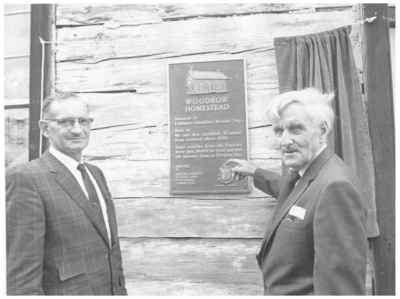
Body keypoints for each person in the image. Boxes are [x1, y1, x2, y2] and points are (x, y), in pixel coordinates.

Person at [229, 88, 367, 295]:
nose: (284, 141)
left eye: (296, 129)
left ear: (322, 130)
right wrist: (255, 172)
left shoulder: (335, 187)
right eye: (278, 131)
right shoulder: (305, 174)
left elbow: (340, 289)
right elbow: (293, 192)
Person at [6, 94, 127, 295]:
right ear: (45, 129)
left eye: (84, 121)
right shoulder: (25, 178)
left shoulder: (96, 174)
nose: (77, 129)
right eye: (66, 122)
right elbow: (21, 279)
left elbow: (111, 253)